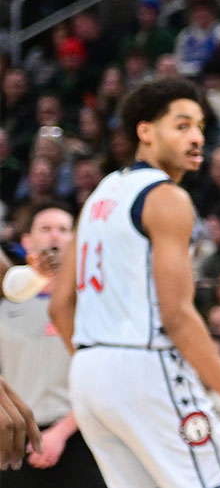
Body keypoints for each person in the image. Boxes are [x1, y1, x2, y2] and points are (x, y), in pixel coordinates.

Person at [48, 78, 220, 487]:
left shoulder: (100, 195)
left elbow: (59, 306)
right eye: (182, 125)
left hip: (88, 374)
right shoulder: (166, 197)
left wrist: (102, 363)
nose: (196, 138)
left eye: (201, 127)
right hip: (144, 365)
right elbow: (177, 314)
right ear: (145, 131)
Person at [0, 204, 106, 488]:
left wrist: (60, 433)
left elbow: (105, 379)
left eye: (63, 230)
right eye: (45, 229)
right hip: (14, 439)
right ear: (26, 241)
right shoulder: (5, 306)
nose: (54, 237)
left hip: (81, 435)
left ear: (75, 240)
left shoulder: (93, 304)